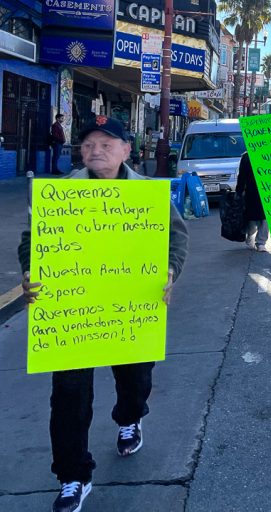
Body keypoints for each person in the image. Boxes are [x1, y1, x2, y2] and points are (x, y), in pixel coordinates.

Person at [18, 115, 189, 512]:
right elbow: (31, 240)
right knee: (68, 396)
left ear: (127, 150)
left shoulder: (150, 194)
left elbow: (176, 238)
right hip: (72, 313)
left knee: (135, 378)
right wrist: (29, 272)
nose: (97, 151)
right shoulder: (58, 194)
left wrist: (169, 272)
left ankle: (130, 417)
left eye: (107, 143)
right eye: (89, 144)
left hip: (131, 309)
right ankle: (73, 476)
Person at [236, 151, 268, 252]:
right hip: (252, 193)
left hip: (268, 192)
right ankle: (250, 235)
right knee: (252, 219)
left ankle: (261, 243)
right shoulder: (246, 157)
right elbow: (241, 176)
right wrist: (239, 191)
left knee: (265, 219)